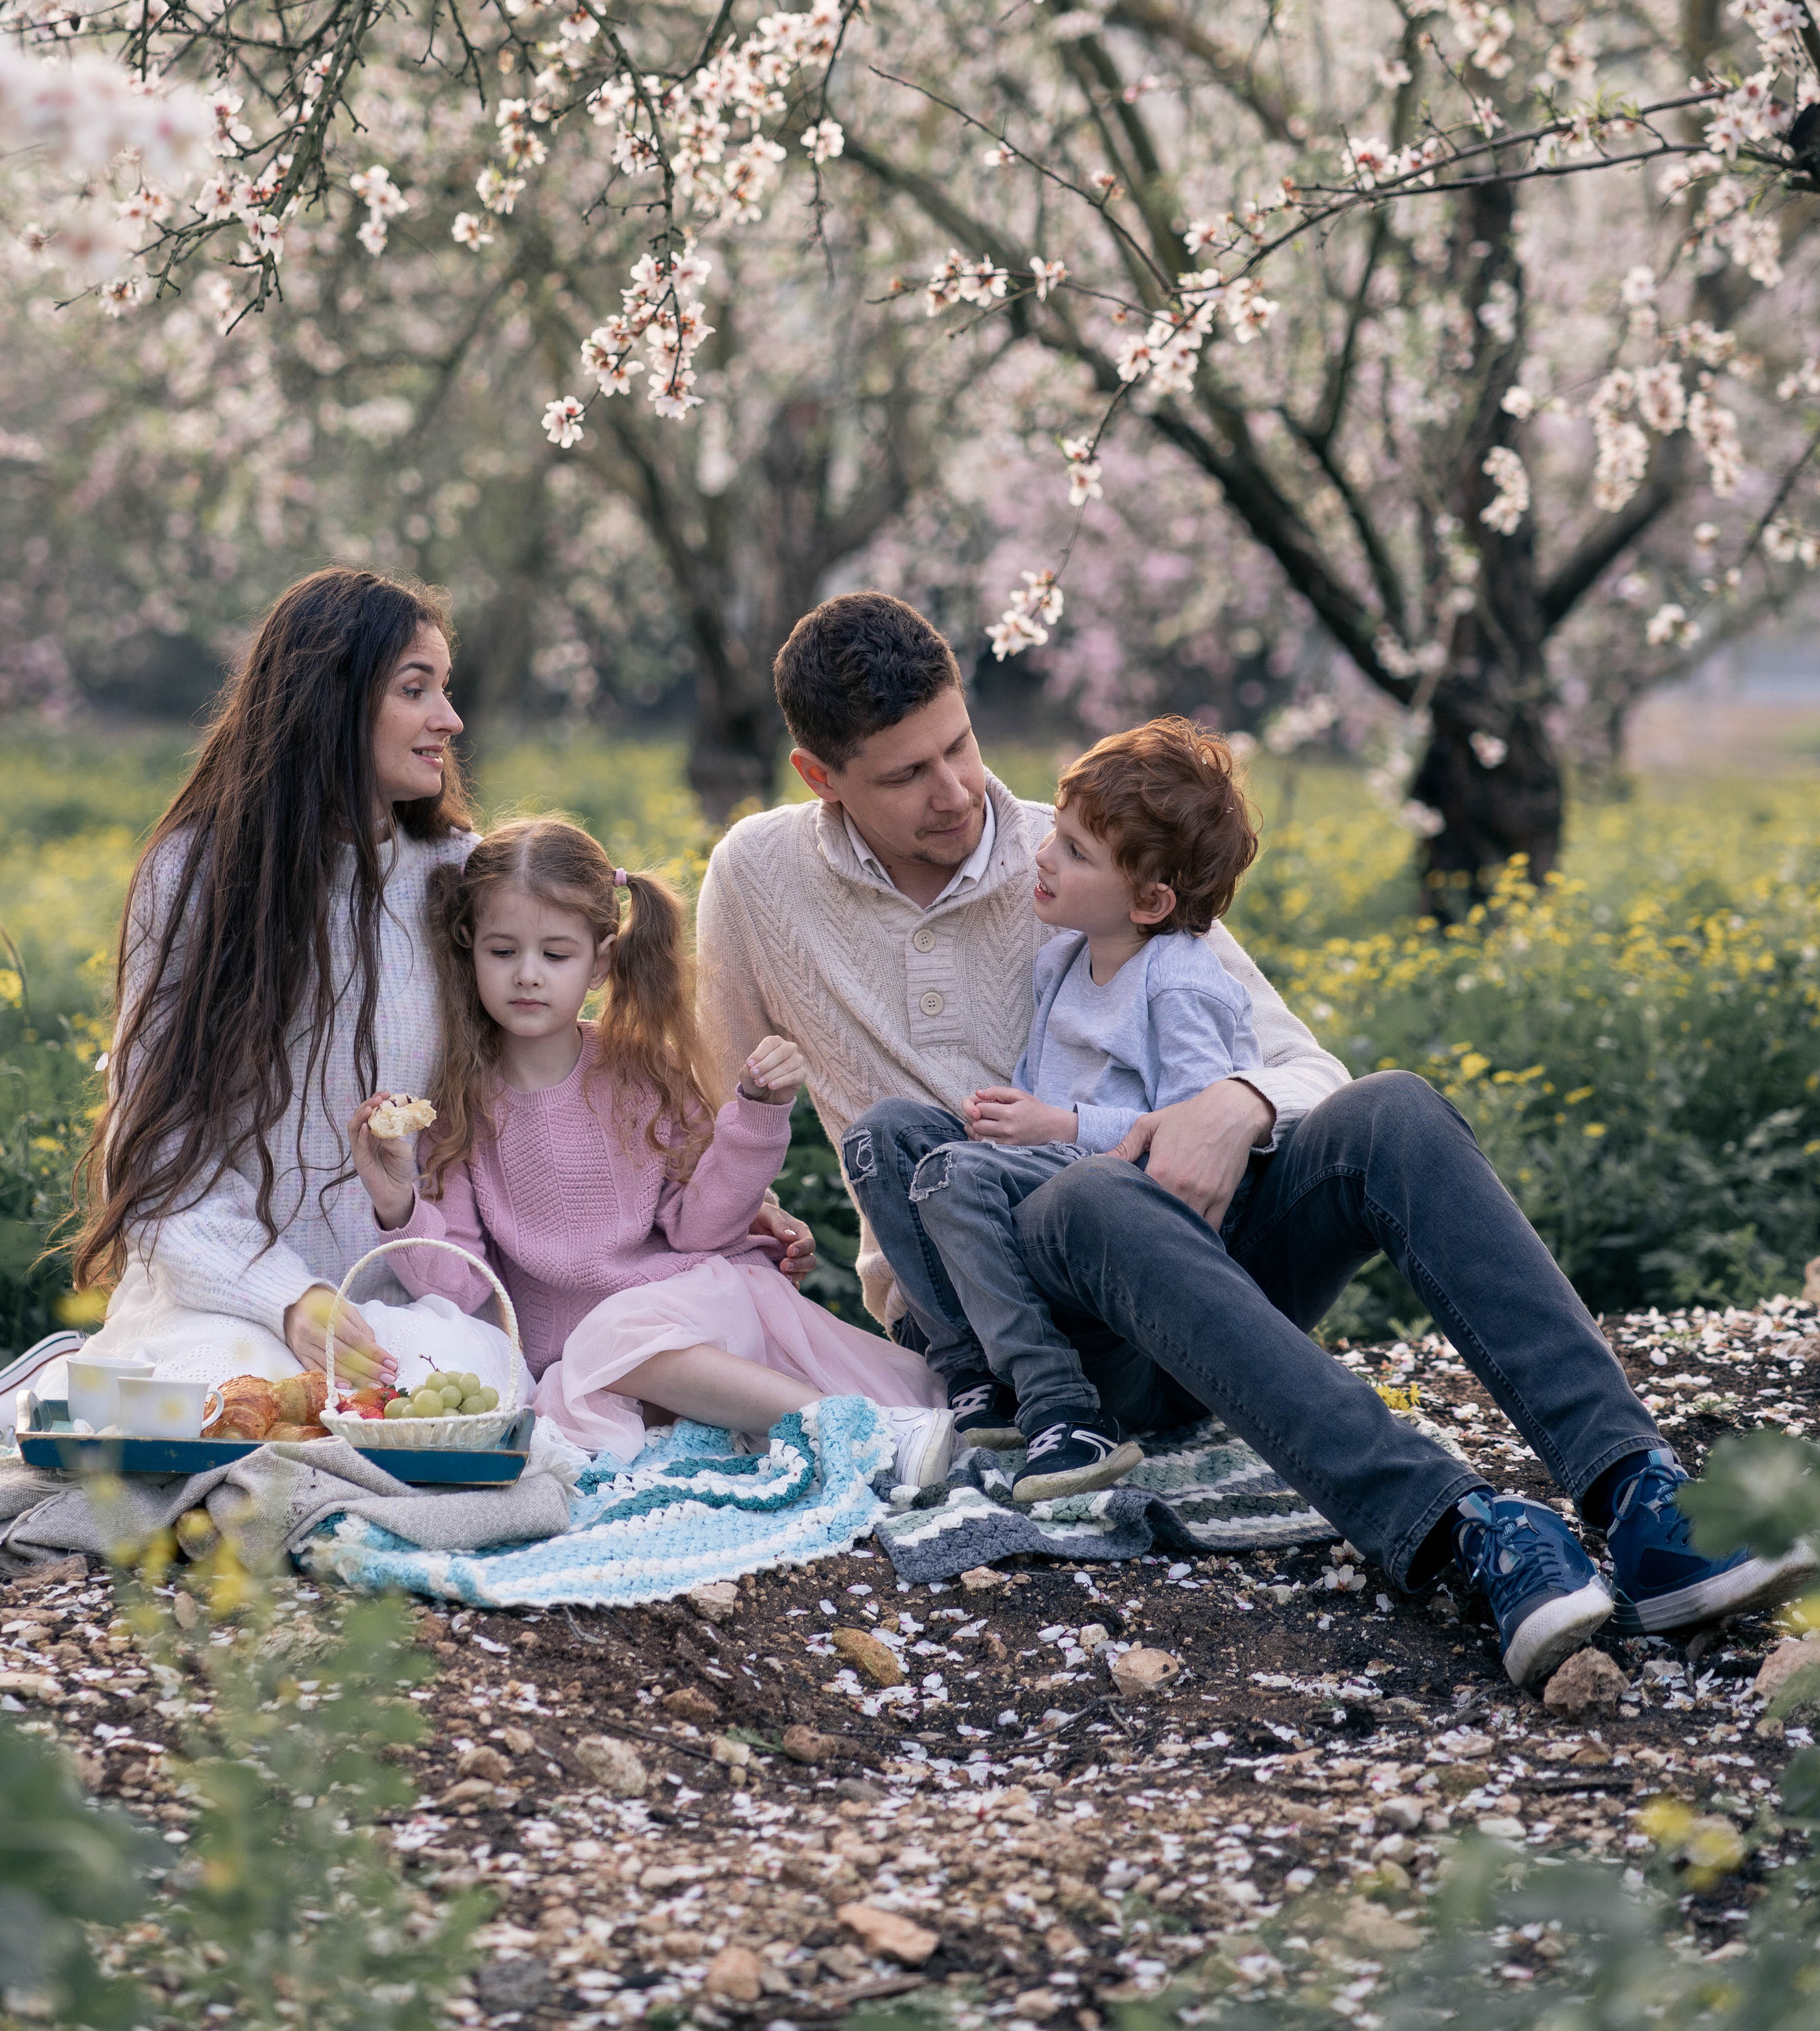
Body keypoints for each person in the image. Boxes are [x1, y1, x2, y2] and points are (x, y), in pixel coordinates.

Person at [697, 591, 1814, 1685]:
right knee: (1085, 1197)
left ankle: (1636, 1492)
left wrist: (1236, 1104)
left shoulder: (1089, 854)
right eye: (905, 776)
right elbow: (704, 1099)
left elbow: (1301, 1068)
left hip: (1192, 1280)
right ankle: (1461, 1533)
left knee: (1395, 1109)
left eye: (961, 746)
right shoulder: (759, 878)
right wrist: (742, 1222)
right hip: (1022, 1339)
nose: (956, 792)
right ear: (821, 779)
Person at [68, 567, 816, 1408]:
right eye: (415, 689)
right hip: (235, 1301)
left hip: (424, 1307)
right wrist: (287, 1298)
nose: (449, 720)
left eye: (446, 689)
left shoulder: (451, 878)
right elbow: (161, 1165)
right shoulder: (195, 877)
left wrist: (716, 1187)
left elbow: (561, 1082)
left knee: (463, 1412)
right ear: (332, 700)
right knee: (246, 1407)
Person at [350, 816, 954, 1477]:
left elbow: (699, 1229)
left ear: (601, 961)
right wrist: (398, 1203)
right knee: (603, 1357)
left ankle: (862, 1431)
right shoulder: (458, 1108)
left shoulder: (640, 1072)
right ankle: (845, 1429)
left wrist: (759, 1114)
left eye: (555, 955)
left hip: (692, 1306)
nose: (527, 975)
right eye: (502, 952)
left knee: (617, 1335)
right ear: (469, 949)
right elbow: (464, 1286)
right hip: (590, 1365)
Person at [860, 715, 1265, 1505]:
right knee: (883, 1138)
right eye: (1058, 829)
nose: (1044, 852)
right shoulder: (1062, 962)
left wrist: (1061, 1127)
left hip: (1109, 1201)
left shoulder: (1178, 981)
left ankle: (1062, 1407)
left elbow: (1187, 1135)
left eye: (1076, 851)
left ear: (1149, 900)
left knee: (948, 1175)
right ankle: (971, 1371)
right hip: (1041, 1175)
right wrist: (1014, 1122)